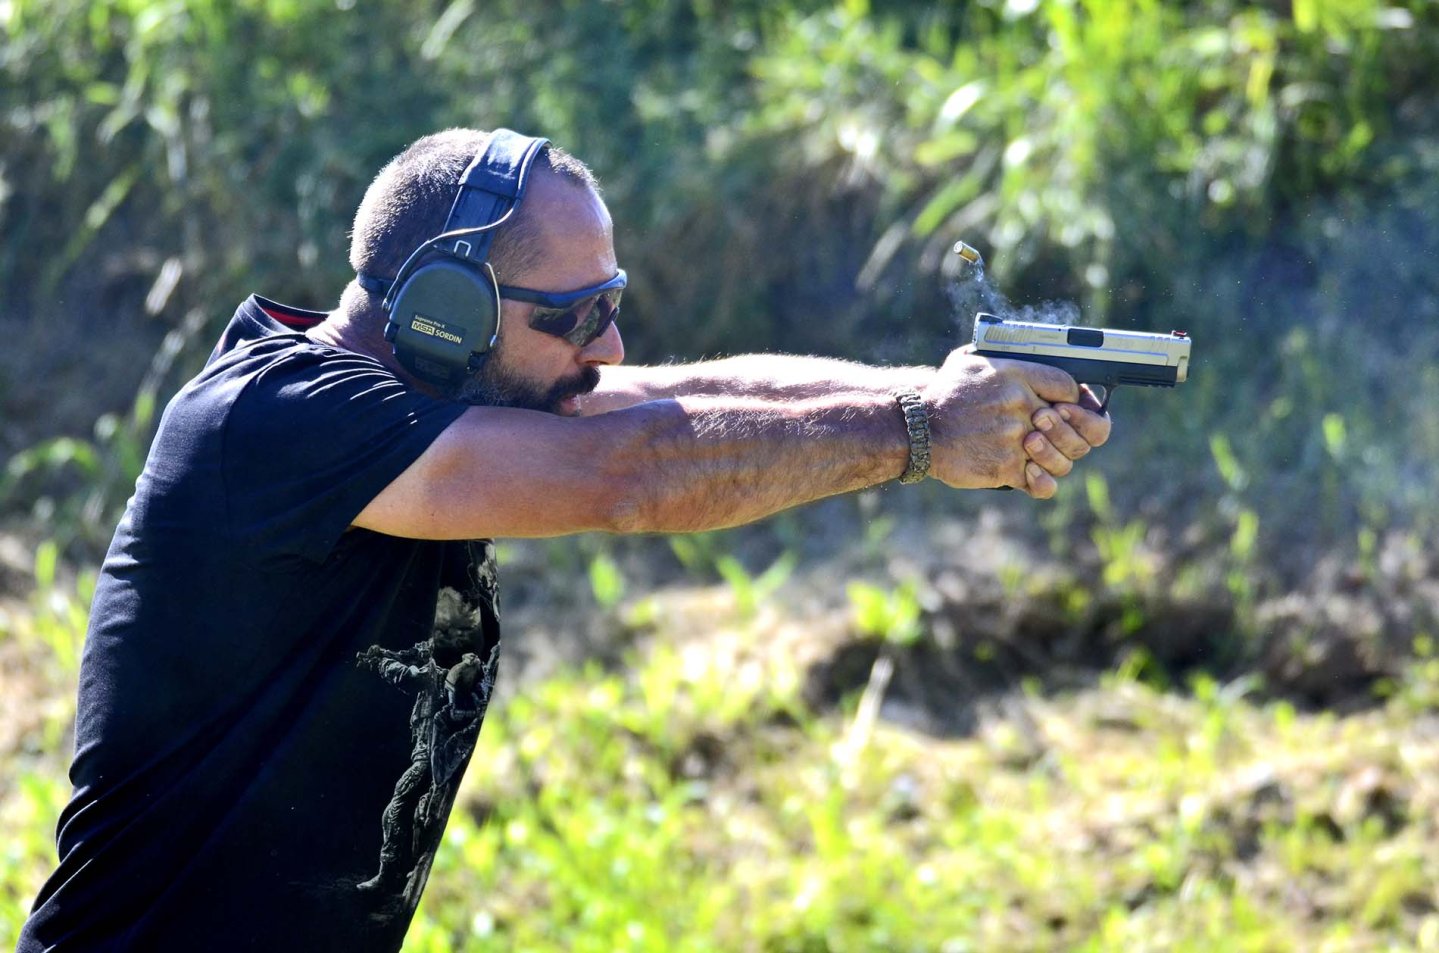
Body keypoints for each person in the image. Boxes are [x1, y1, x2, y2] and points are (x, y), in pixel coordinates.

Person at [16, 127, 1109, 952]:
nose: (610, 343)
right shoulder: (275, 419)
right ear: (446, 308)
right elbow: (629, 472)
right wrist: (920, 432)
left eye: (609, 302)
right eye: (575, 315)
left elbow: (685, 399)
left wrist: (945, 390)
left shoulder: (444, 388)